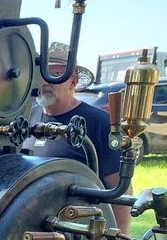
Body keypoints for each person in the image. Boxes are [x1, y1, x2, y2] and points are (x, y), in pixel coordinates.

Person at [23, 41, 130, 230]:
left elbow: (120, 192)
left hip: (79, 232)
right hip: (30, 229)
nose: (45, 81)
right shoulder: (27, 117)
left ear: (73, 80)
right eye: (42, 74)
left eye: (55, 74)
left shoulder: (99, 123)